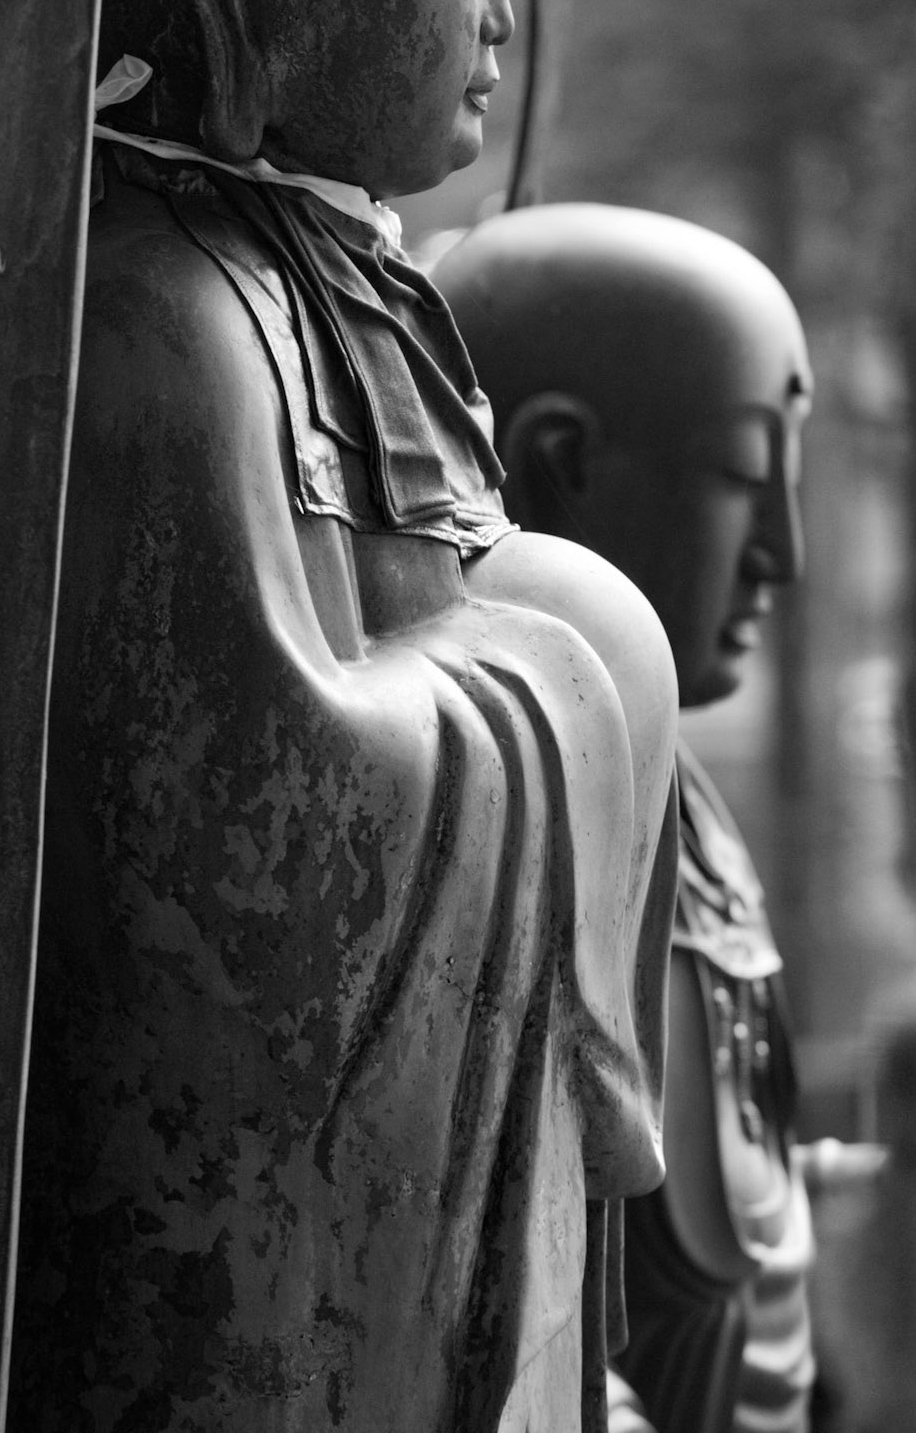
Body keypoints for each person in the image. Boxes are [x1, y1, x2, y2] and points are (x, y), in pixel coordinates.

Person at [8, 0, 679, 1432]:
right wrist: (557, 664)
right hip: (253, 1262)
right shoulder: (158, 314)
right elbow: (241, 834)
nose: (500, 20)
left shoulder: (329, 283)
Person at [434, 201, 818, 1433]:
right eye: (745, 479)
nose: (784, 552)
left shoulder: (691, 814)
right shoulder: (491, 819)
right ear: (559, 464)